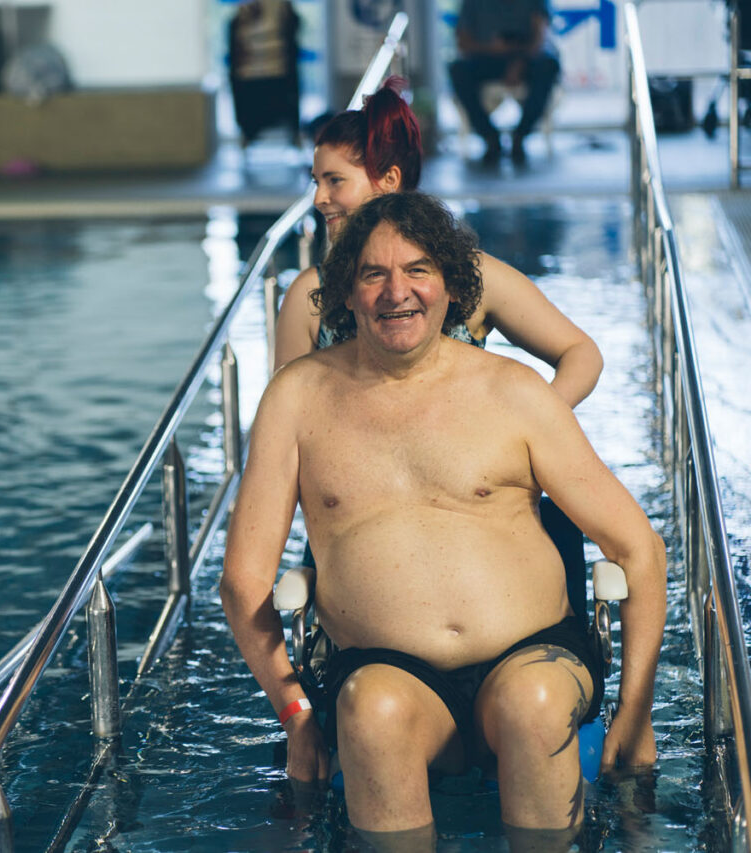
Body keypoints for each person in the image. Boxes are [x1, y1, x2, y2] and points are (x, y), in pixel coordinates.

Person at [220, 192, 666, 847]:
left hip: (533, 658)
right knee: (370, 712)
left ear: (452, 286)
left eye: (418, 270)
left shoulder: (513, 392)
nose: (396, 292)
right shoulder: (297, 399)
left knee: (535, 705)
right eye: (373, 274)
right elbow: (243, 581)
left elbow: (639, 548)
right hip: (382, 671)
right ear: (345, 292)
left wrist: (637, 712)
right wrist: (296, 715)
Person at [275, 78, 601, 409]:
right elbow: (285, 410)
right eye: (317, 181)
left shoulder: (465, 273)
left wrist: (533, 426)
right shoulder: (310, 294)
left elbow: (581, 353)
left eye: (335, 181)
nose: (319, 198)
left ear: (390, 180)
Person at [448, 0, 561, 165]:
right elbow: (463, 41)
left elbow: (540, 37)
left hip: (527, 58)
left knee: (549, 65)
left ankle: (520, 135)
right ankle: (489, 136)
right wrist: (492, 49)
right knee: (457, 69)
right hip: (486, 57)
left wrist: (519, 61)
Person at [227, 0, 302, 147]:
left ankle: (293, 137)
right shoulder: (242, 15)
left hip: (278, 71)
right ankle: (248, 136)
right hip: (250, 74)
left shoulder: (282, 9)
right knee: (251, 114)